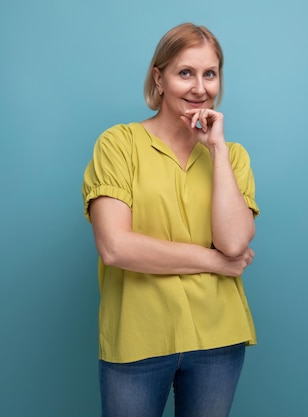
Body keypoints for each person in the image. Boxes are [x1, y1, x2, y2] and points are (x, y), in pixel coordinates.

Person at [82, 22, 260, 417]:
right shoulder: (118, 144)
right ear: (159, 78)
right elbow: (115, 247)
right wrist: (214, 262)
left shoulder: (233, 157)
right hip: (138, 337)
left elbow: (233, 243)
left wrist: (216, 151)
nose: (200, 87)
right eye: (186, 73)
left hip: (218, 338)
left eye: (209, 74)